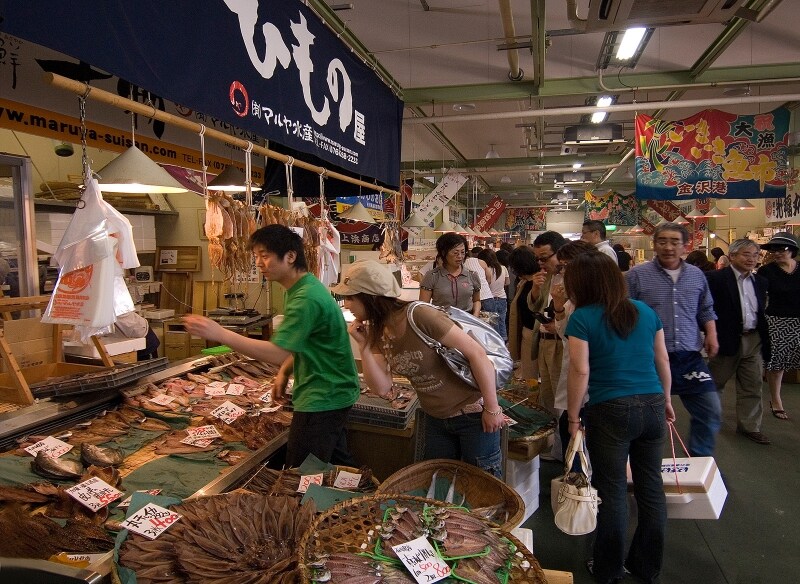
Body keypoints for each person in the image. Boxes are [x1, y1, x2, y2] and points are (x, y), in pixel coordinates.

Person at [183, 224, 360, 466]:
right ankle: (355, 496)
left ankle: (313, 503)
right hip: (334, 390)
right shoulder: (301, 288)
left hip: (323, 395)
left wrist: (220, 333)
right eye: (256, 256)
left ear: (290, 256)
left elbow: (278, 352)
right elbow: (303, 346)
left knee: (301, 472)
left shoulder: (305, 298)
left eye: (264, 256)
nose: (258, 263)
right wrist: (285, 372)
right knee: (336, 463)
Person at [564, 252, 674, 584]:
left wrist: (572, 419)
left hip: (610, 409)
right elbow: (663, 361)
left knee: (611, 491)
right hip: (653, 403)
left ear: (581, 285)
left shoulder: (582, 317)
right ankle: (646, 566)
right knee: (651, 488)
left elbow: (580, 371)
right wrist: (666, 400)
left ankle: (609, 568)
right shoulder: (645, 312)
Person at [337, 260, 504, 476]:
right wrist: (365, 346)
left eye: (351, 297)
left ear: (371, 297)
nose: (347, 304)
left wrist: (492, 407)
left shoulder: (419, 315)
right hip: (434, 419)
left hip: (472, 415)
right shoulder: (379, 331)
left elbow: (477, 354)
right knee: (438, 487)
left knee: (484, 488)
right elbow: (382, 388)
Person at [626, 223, 721, 457]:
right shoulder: (637, 276)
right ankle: (645, 468)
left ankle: (699, 462)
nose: (668, 247)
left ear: (685, 245)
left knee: (710, 410)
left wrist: (712, 333)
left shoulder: (697, 275)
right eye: (662, 241)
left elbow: (706, 309)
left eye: (674, 242)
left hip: (689, 356)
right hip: (650, 358)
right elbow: (623, 313)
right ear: (654, 244)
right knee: (646, 417)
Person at [706, 239, 771, 445]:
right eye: (746, 254)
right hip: (725, 339)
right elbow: (705, 308)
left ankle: (750, 426)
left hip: (753, 339)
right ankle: (709, 421)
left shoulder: (760, 282)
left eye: (755, 255)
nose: (751, 259)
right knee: (716, 383)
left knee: (752, 385)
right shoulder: (715, 279)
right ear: (732, 256)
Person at [550, 240, 600, 460]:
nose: (563, 272)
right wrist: (559, 307)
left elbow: (581, 367)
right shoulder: (574, 300)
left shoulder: (595, 305)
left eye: (567, 265)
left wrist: (572, 418)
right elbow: (565, 336)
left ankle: (582, 489)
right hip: (581, 386)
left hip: (594, 390)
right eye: (562, 266)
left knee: (583, 448)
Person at [758, 232, 800, 420]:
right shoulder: (766, 271)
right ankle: (776, 400)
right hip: (776, 321)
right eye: (773, 249)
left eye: (781, 249)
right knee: (777, 363)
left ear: (792, 250)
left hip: (798, 320)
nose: (777, 253)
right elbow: (758, 297)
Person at [419, 233, 481, 315]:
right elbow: (423, 305)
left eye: (463, 252)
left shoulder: (472, 275)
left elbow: (476, 300)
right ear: (444, 253)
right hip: (442, 322)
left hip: (467, 322)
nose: (460, 256)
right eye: (455, 253)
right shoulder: (432, 276)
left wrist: (475, 315)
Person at [508, 246, 539, 383]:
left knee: (542, 375)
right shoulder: (524, 282)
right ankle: (534, 400)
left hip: (541, 334)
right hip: (527, 332)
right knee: (529, 374)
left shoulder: (540, 282)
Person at [478, 248, 509, 341]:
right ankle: (503, 343)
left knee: (492, 325)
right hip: (502, 298)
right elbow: (507, 282)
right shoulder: (503, 268)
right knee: (502, 322)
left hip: (489, 301)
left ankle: (495, 343)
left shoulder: (484, 270)